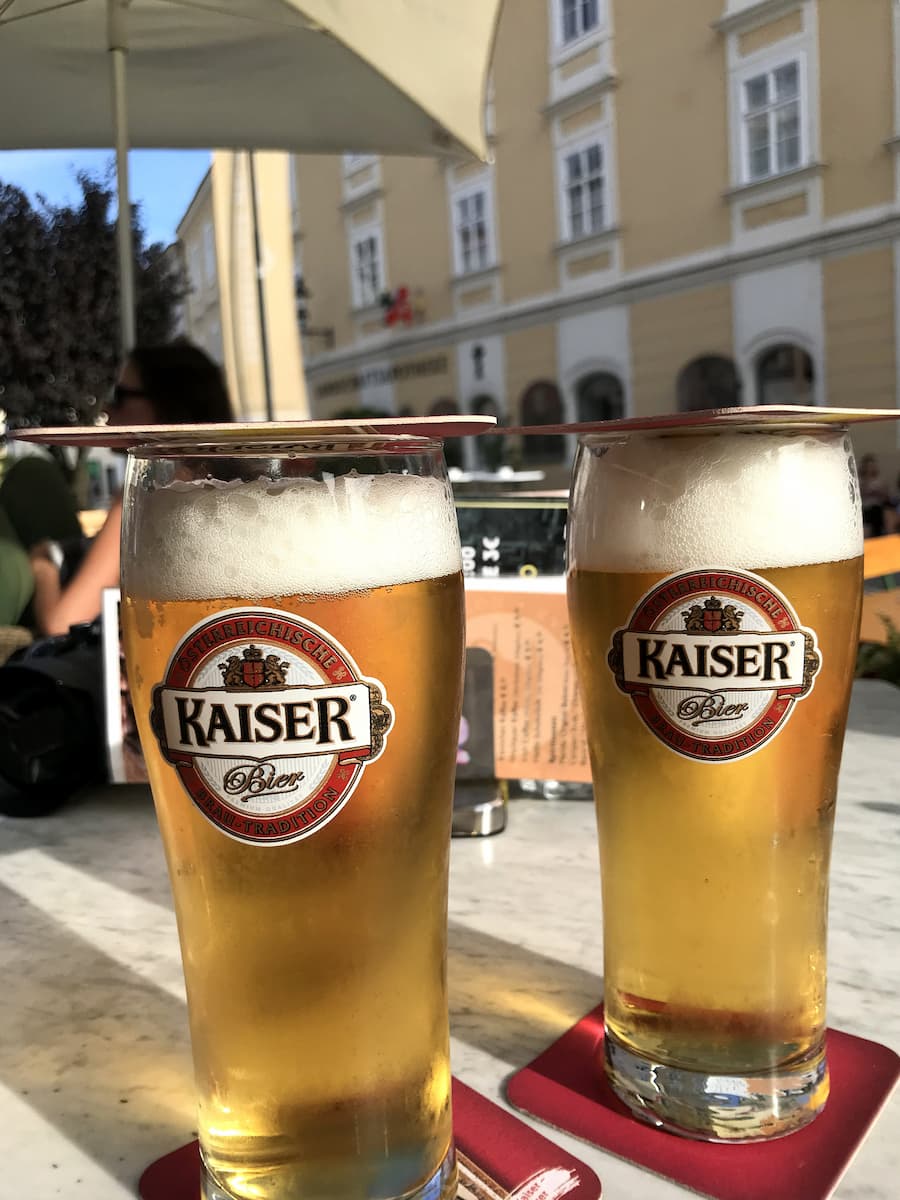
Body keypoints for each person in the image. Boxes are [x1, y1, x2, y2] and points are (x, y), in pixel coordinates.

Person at [24, 342, 232, 636]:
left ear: (168, 404)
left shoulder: (150, 494)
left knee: (30, 475)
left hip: (85, 662)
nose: (107, 408)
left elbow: (63, 622)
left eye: (120, 396)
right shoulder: (223, 489)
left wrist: (42, 566)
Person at [859, 453, 889, 539]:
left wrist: (879, 492)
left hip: (877, 508)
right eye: (868, 466)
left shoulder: (880, 481)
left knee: (877, 511)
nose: (870, 468)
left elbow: (886, 497)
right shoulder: (860, 480)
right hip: (864, 508)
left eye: (872, 466)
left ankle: (879, 535)